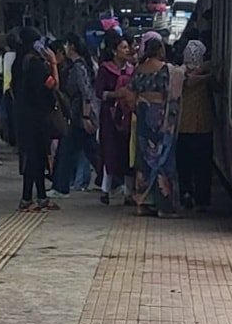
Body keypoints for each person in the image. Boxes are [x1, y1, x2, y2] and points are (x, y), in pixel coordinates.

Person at [130, 35, 186, 218]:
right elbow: (174, 92)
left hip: (143, 116)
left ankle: (142, 204)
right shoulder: (167, 70)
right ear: (161, 50)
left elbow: (131, 95)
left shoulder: (138, 70)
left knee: (144, 160)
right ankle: (164, 207)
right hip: (162, 117)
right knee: (164, 160)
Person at [11, 26, 61, 211]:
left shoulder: (18, 62)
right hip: (37, 116)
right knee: (35, 158)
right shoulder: (35, 64)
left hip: (23, 115)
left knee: (36, 157)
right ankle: (26, 198)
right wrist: (53, 63)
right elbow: (53, 84)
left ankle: (41, 197)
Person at [50, 34, 99, 197]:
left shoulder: (78, 67)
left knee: (68, 150)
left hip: (79, 115)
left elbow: (86, 93)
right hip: (77, 114)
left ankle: (61, 187)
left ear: (71, 46)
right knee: (91, 151)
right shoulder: (77, 65)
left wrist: (86, 117)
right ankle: (113, 181)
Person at [96, 30, 136, 206]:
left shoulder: (132, 70)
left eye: (127, 47)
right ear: (114, 51)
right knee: (110, 151)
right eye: (123, 47)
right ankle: (105, 190)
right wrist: (115, 94)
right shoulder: (105, 69)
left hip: (128, 116)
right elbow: (99, 92)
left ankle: (128, 192)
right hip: (110, 116)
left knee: (127, 152)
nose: (127, 50)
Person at [176, 38, 215, 211]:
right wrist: (207, 75)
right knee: (200, 164)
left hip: (188, 125)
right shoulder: (181, 72)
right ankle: (197, 198)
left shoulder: (182, 71)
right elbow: (189, 81)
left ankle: (191, 195)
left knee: (188, 164)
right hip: (198, 126)